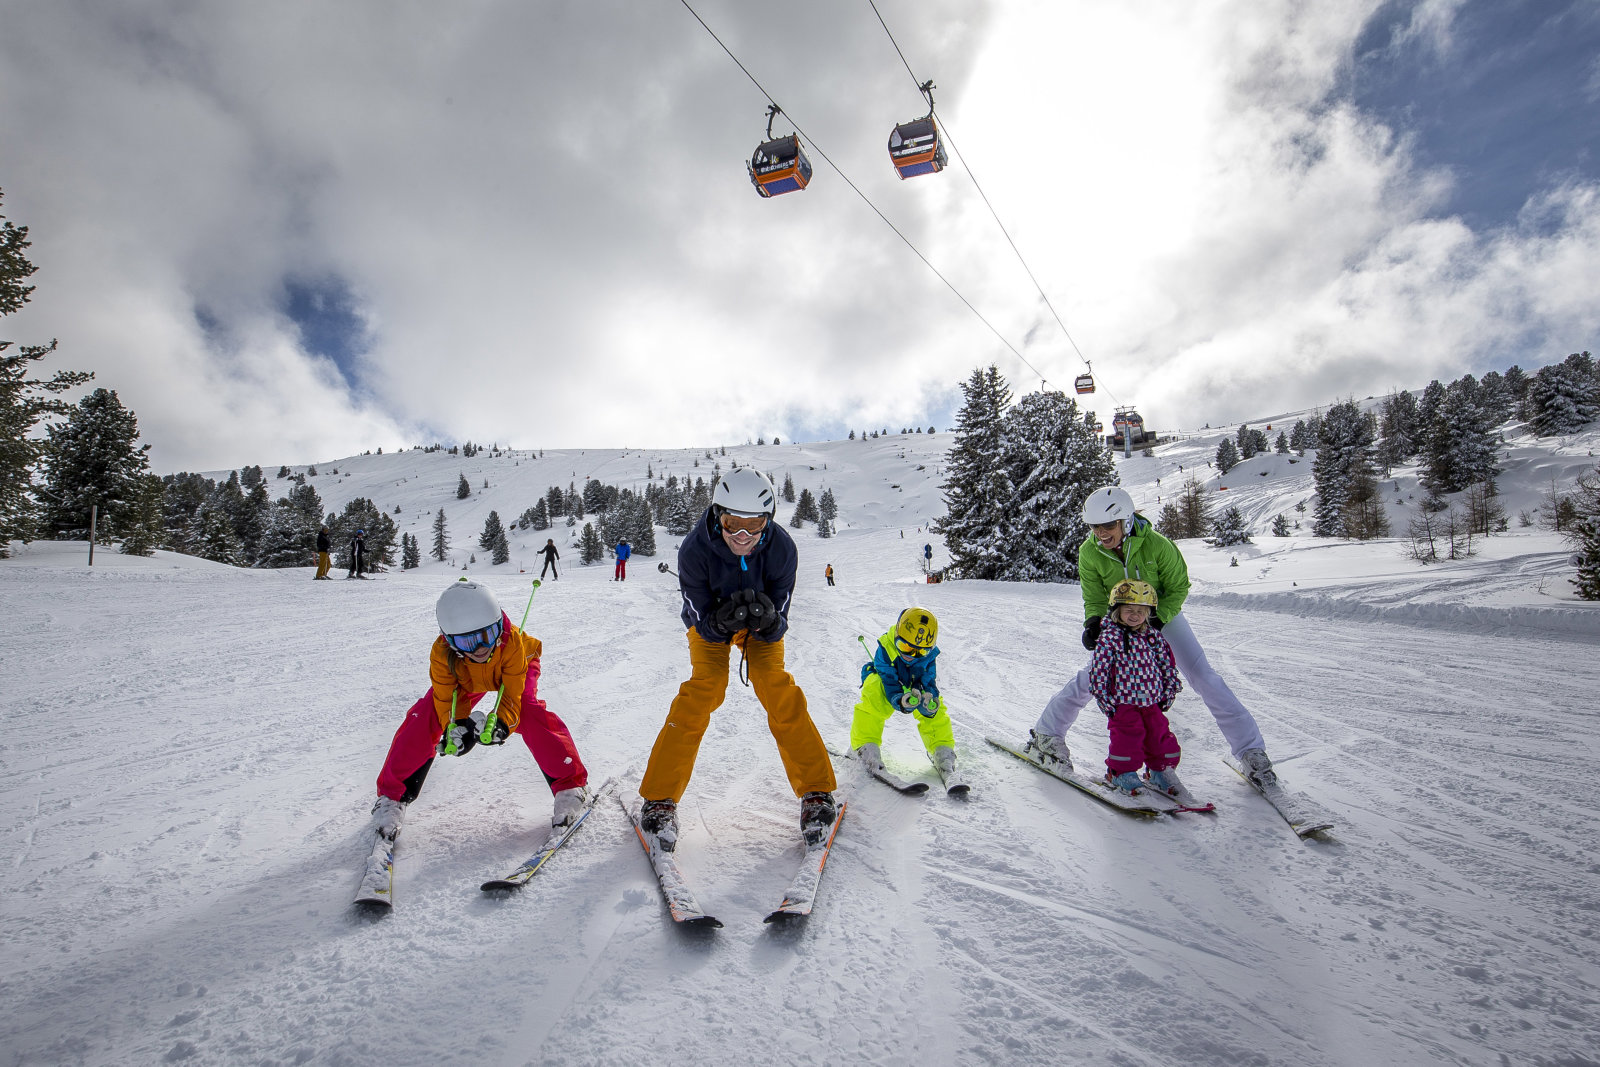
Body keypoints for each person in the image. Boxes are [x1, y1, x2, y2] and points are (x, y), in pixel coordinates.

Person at [1022, 486, 1279, 788]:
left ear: (1126, 521)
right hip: (1121, 622)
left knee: (1203, 677)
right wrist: (1093, 622)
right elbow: (1093, 595)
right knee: (1094, 677)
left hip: (1161, 617)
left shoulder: (1157, 545)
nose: (1101, 533)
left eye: (1108, 525)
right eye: (1094, 526)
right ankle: (1047, 735)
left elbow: (1179, 586)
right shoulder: (1089, 552)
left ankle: (1251, 752)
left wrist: (1157, 619)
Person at [637, 468, 837, 849]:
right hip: (711, 626)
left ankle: (815, 792)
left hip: (758, 630)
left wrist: (769, 620)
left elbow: (781, 620)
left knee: (774, 684)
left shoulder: (782, 550)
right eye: (732, 524)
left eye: (754, 525)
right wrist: (720, 620)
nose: (742, 536)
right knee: (704, 689)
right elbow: (697, 616)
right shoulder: (694, 550)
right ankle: (659, 798)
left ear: (769, 519)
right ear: (717, 515)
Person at [370, 578, 591, 840]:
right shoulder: (443, 654)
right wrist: (457, 725)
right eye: (467, 642)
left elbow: (512, 694)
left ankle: (571, 786)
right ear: (449, 641)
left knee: (528, 712)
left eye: (486, 636)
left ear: (498, 626)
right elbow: (445, 697)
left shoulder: (512, 643)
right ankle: (391, 797)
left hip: (512, 669)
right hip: (467, 675)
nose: (480, 648)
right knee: (424, 715)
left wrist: (502, 721)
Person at [1090, 580, 1183, 794]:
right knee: (1127, 737)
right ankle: (1121, 773)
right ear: (1117, 610)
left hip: (1152, 700)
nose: (1135, 615)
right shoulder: (1110, 637)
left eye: (1141, 611)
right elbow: (1099, 669)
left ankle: (1160, 770)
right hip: (1123, 701)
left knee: (1159, 735)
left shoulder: (1153, 636)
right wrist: (1104, 698)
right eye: (1129, 610)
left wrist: (1169, 689)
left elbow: (1166, 663)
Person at [849, 607, 958, 783]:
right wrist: (899, 700)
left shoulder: (928, 656)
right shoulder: (885, 649)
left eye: (921, 652)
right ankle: (864, 747)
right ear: (897, 637)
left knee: (934, 704)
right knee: (874, 691)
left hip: (913, 684)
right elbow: (888, 679)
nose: (911, 655)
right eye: (904, 646)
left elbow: (928, 680)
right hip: (888, 682)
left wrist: (929, 702)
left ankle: (942, 750)